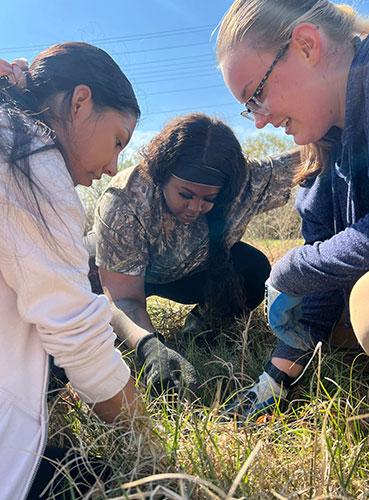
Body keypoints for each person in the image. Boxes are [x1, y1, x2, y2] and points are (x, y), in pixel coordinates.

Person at [217, 0, 369, 420]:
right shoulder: (320, 158)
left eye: (256, 95)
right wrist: (274, 381)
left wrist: (293, 268)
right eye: (249, 108)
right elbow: (320, 288)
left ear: (305, 45)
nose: (258, 121)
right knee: (343, 320)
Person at [0, 42, 144, 500]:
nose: (113, 165)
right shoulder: (29, 157)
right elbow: (76, 334)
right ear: (80, 102)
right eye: (118, 140)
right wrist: (152, 446)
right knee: (94, 481)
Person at [91, 112, 299, 396]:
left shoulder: (245, 182)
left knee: (253, 267)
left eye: (209, 199)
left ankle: (200, 329)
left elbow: (306, 158)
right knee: (88, 319)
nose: (194, 208)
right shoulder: (125, 201)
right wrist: (150, 347)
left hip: (192, 270)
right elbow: (123, 298)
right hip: (120, 275)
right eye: (185, 194)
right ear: (162, 177)